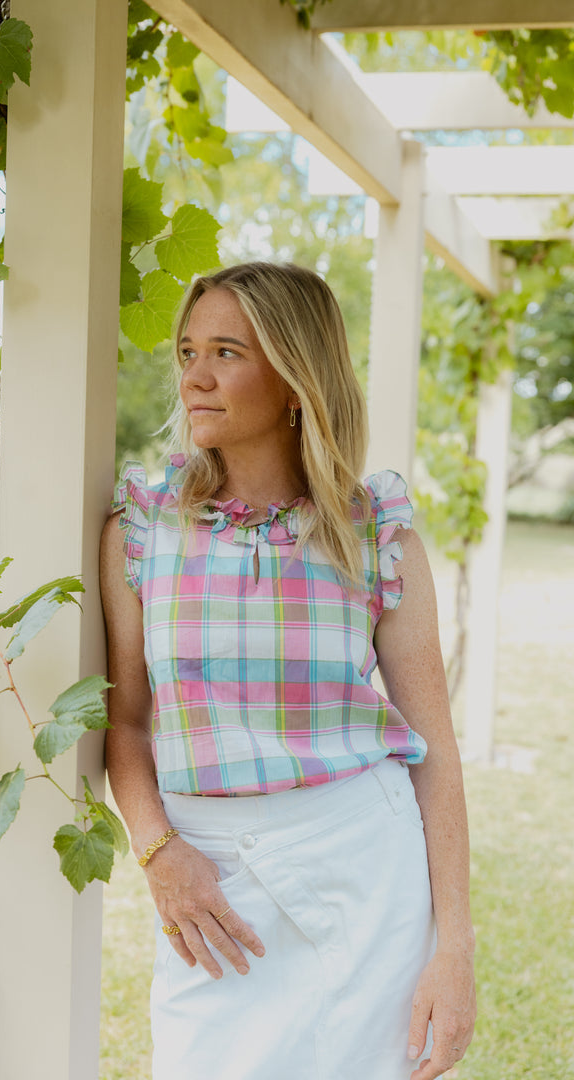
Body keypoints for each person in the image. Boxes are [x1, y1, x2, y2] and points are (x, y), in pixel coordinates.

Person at [100, 261, 476, 1080]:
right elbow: (123, 724)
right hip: (211, 891)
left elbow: (435, 751)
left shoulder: (376, 535)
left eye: (226, 352)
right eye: (188, 351)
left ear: (295, 378)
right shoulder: (144, 529)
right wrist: (160, 852)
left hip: (365, 874)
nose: (195, 378)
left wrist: (455, 950)